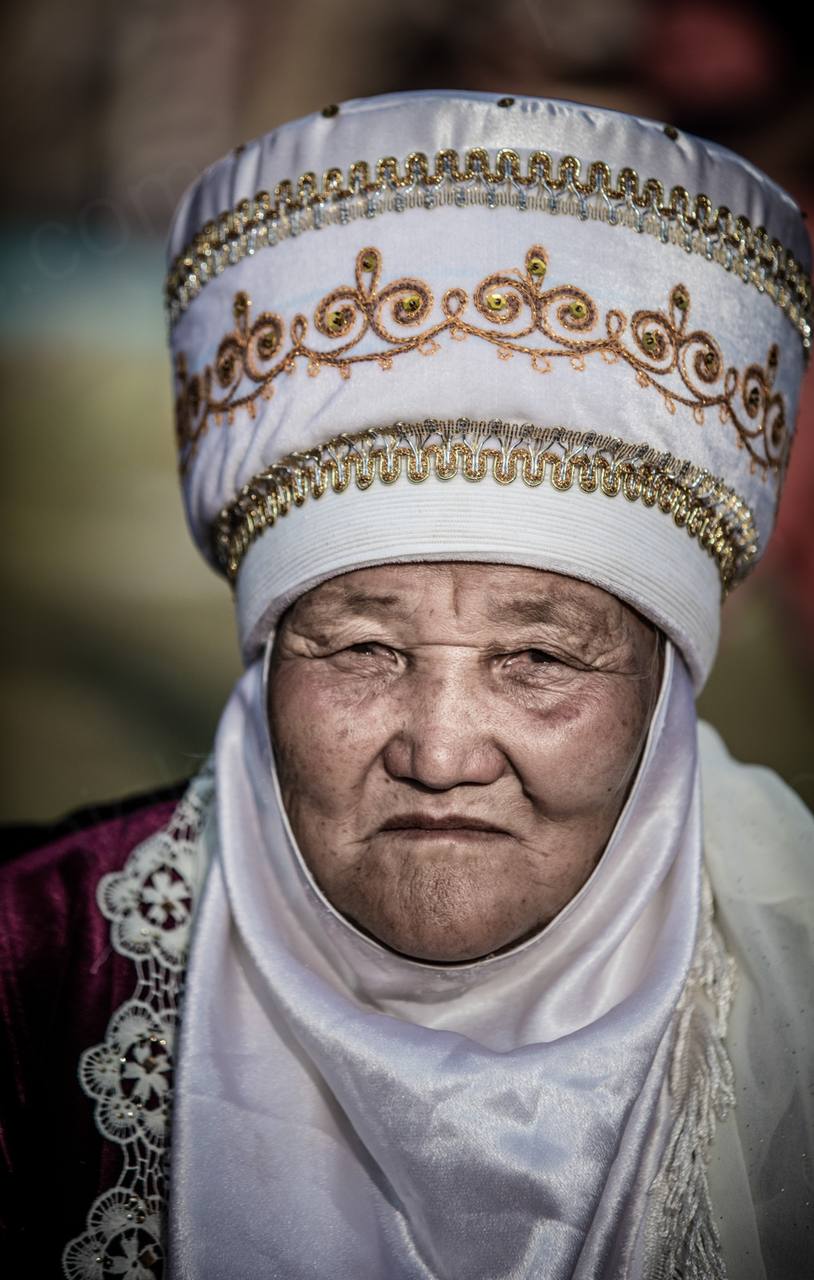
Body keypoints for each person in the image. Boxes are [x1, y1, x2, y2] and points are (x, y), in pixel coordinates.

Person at [1, 91, 812, 1279]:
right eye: (362, 648)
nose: (439, 750)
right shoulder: (31, 965)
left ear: (664, 692)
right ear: (270, 658)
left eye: (536, 658)